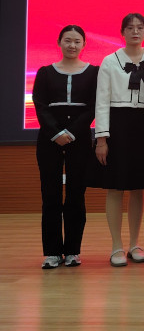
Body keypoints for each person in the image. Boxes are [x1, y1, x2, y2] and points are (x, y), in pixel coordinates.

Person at [92, 13, 144, 267]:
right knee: (115, 187)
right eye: (130, 28)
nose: (135, 32)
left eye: (140, 28)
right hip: (118, 125)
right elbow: (101, 101)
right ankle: (116, 246)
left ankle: (134, 243)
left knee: (138, 188)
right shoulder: (110, 61)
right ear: (122, 32)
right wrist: (102, 139)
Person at [33, 25, 99, 269]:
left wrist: (72, 132)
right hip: (49, 139)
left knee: (76, 194)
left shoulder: (94, 72)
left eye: (77, 41)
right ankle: (52, 252)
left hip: (79, 139)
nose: (72, 45)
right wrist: (56, 132)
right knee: (50, 195)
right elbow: (40, 105)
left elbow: (93, 106)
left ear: (84, 44)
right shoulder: (44, 72)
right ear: (59, 42)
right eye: (68, 40)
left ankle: (72, 251)